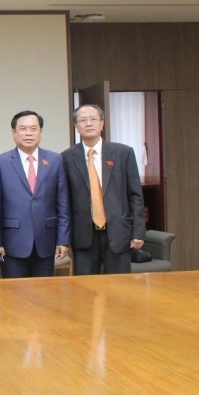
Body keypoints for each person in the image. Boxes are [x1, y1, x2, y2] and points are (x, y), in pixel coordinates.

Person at [61, 104, 145, 274]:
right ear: (76, 127)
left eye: (93, 119)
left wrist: (138, 231)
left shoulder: (123, 153)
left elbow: (135, 195)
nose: (89, 124)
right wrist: (64, 238)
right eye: (83, 120)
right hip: (83, 235)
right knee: (85, 292)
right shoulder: (67, 157)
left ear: (102, 123)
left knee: (119, 291)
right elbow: (65, 201)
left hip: (118, 232)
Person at [0, 111, 71, 278]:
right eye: (23, 129)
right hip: (11, 243)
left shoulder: (55, 160)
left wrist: (63, 239)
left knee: (44, 295)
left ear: (40, 132)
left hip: (46, 241)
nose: (28, 133)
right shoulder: (0, 162)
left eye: (33, 128)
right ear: (13, 132)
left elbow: (63, 203)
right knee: (13, 296)